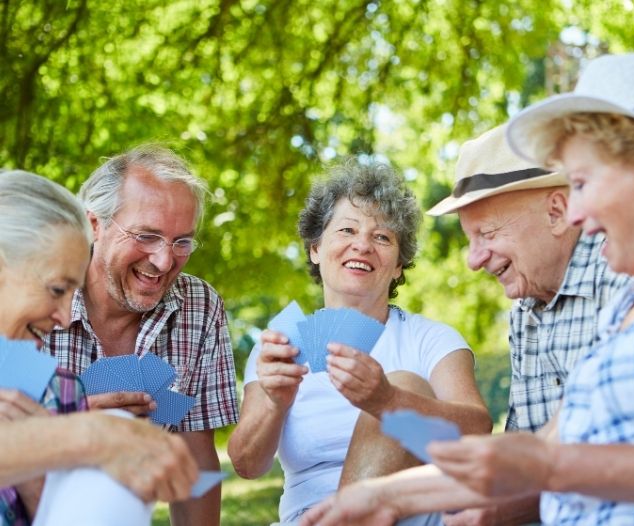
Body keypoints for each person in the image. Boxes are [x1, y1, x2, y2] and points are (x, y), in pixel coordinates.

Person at [300, 125, 628, 525]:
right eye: (471, 239)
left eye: (486, 234)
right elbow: (523, 452)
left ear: (556, 213)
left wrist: (402, 491)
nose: (474, 260)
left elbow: (623, 446)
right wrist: (390, 497)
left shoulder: (625, 276)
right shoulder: (526, 312)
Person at [228, 158, 492, 524]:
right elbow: (246, 465)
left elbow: (478, 431)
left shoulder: (431, 339)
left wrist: (388, 400)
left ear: (398, 265)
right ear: (315, 249)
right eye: (347, 230)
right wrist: (275, 403)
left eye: (382, 237)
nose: (363, 245)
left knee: (405, 383)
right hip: (308, 517)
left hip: (408, 516)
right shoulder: (279, 348)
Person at [42, 145, 238, 526]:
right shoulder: (33, 292)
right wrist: (68, 421)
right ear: (93, 224)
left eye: (182, 241)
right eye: (146, 235)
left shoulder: (199, 307)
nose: (165, 262)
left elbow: (195, 457)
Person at [0, 170, 198, 525]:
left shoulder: (55, 391)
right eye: (57, 289)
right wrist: (87, 434)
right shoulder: (77, 427)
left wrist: (38, 472)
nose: (63, 318)